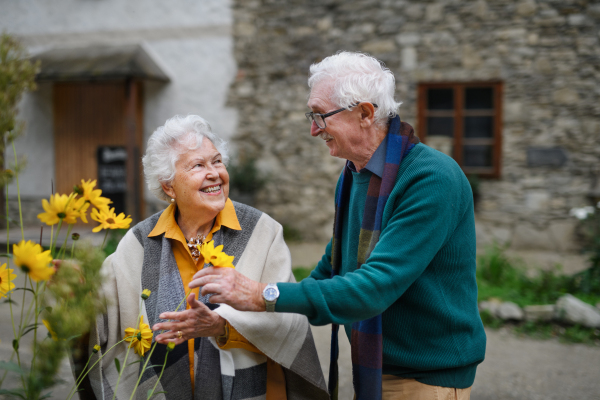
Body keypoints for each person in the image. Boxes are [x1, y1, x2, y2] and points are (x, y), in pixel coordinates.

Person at [191, 52, 487, 400]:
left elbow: (373, 288)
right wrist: (230, 319)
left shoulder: (431, 179)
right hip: (380, 372)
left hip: (426, 380)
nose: (313, 129)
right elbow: (329, 276)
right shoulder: (354, 176)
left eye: (320, 115)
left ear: (365, 113)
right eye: (311, 115)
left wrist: (260, 294)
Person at [83, 115, 328, 399]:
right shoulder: (139, 241)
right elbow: (103, 313)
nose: (214, 173)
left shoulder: (263, 231)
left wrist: (222, 326)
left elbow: (289, 322)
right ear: (169, 186)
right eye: (198, 165)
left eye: (217, 161)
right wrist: (74, 289)